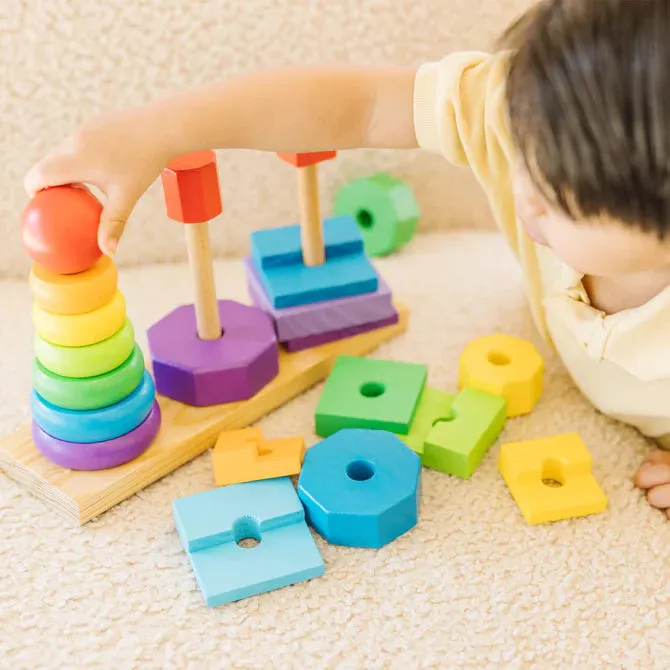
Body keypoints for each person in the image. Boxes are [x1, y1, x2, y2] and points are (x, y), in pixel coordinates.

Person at [24, 0, 670, 518]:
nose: (516, 188)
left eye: (558, 198)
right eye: (519, 150)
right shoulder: (534, 109)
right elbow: (362, 104)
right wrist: (163, 128)